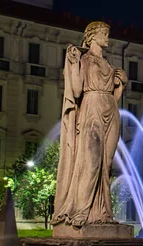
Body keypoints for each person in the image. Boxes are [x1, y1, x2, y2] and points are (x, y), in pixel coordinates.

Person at [52, 21, 128, 227]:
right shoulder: (84, 60)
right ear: (92, 36)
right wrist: (72, 64)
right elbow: (76, 92)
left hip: (111, 110)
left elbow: (114, 97)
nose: (108, 37)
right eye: (105, 33)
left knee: (106, 164)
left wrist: (121, 85)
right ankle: (81, 211)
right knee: (91, 162)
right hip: (91, 108)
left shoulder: (109, 66)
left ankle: (103, 214)